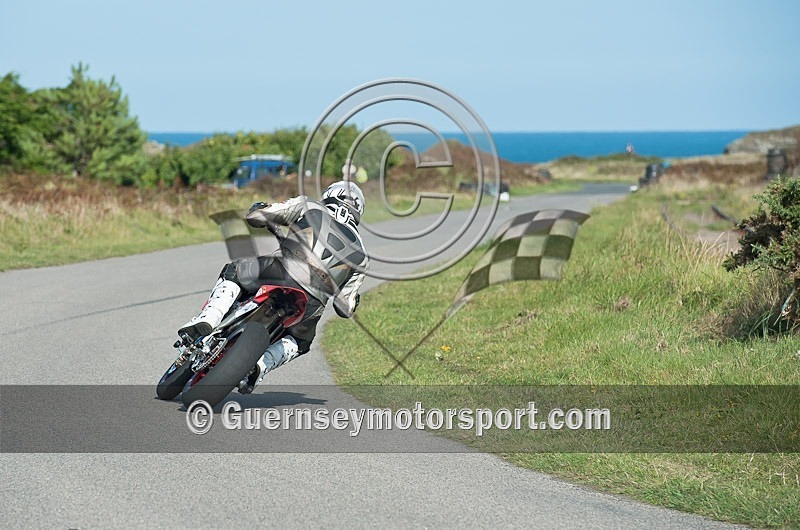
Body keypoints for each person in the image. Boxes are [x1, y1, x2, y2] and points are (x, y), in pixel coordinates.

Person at [178, 181, 369, 394]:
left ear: (331, 194)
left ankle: (209, 317)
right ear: (358, 211)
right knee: (300, 341)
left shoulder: (310, 205)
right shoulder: (362, 255)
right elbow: (345, 308)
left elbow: (259, 216)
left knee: (234, 271)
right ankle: (261, 366)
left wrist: (258, 208)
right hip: (313, 304)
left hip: (282, 270)